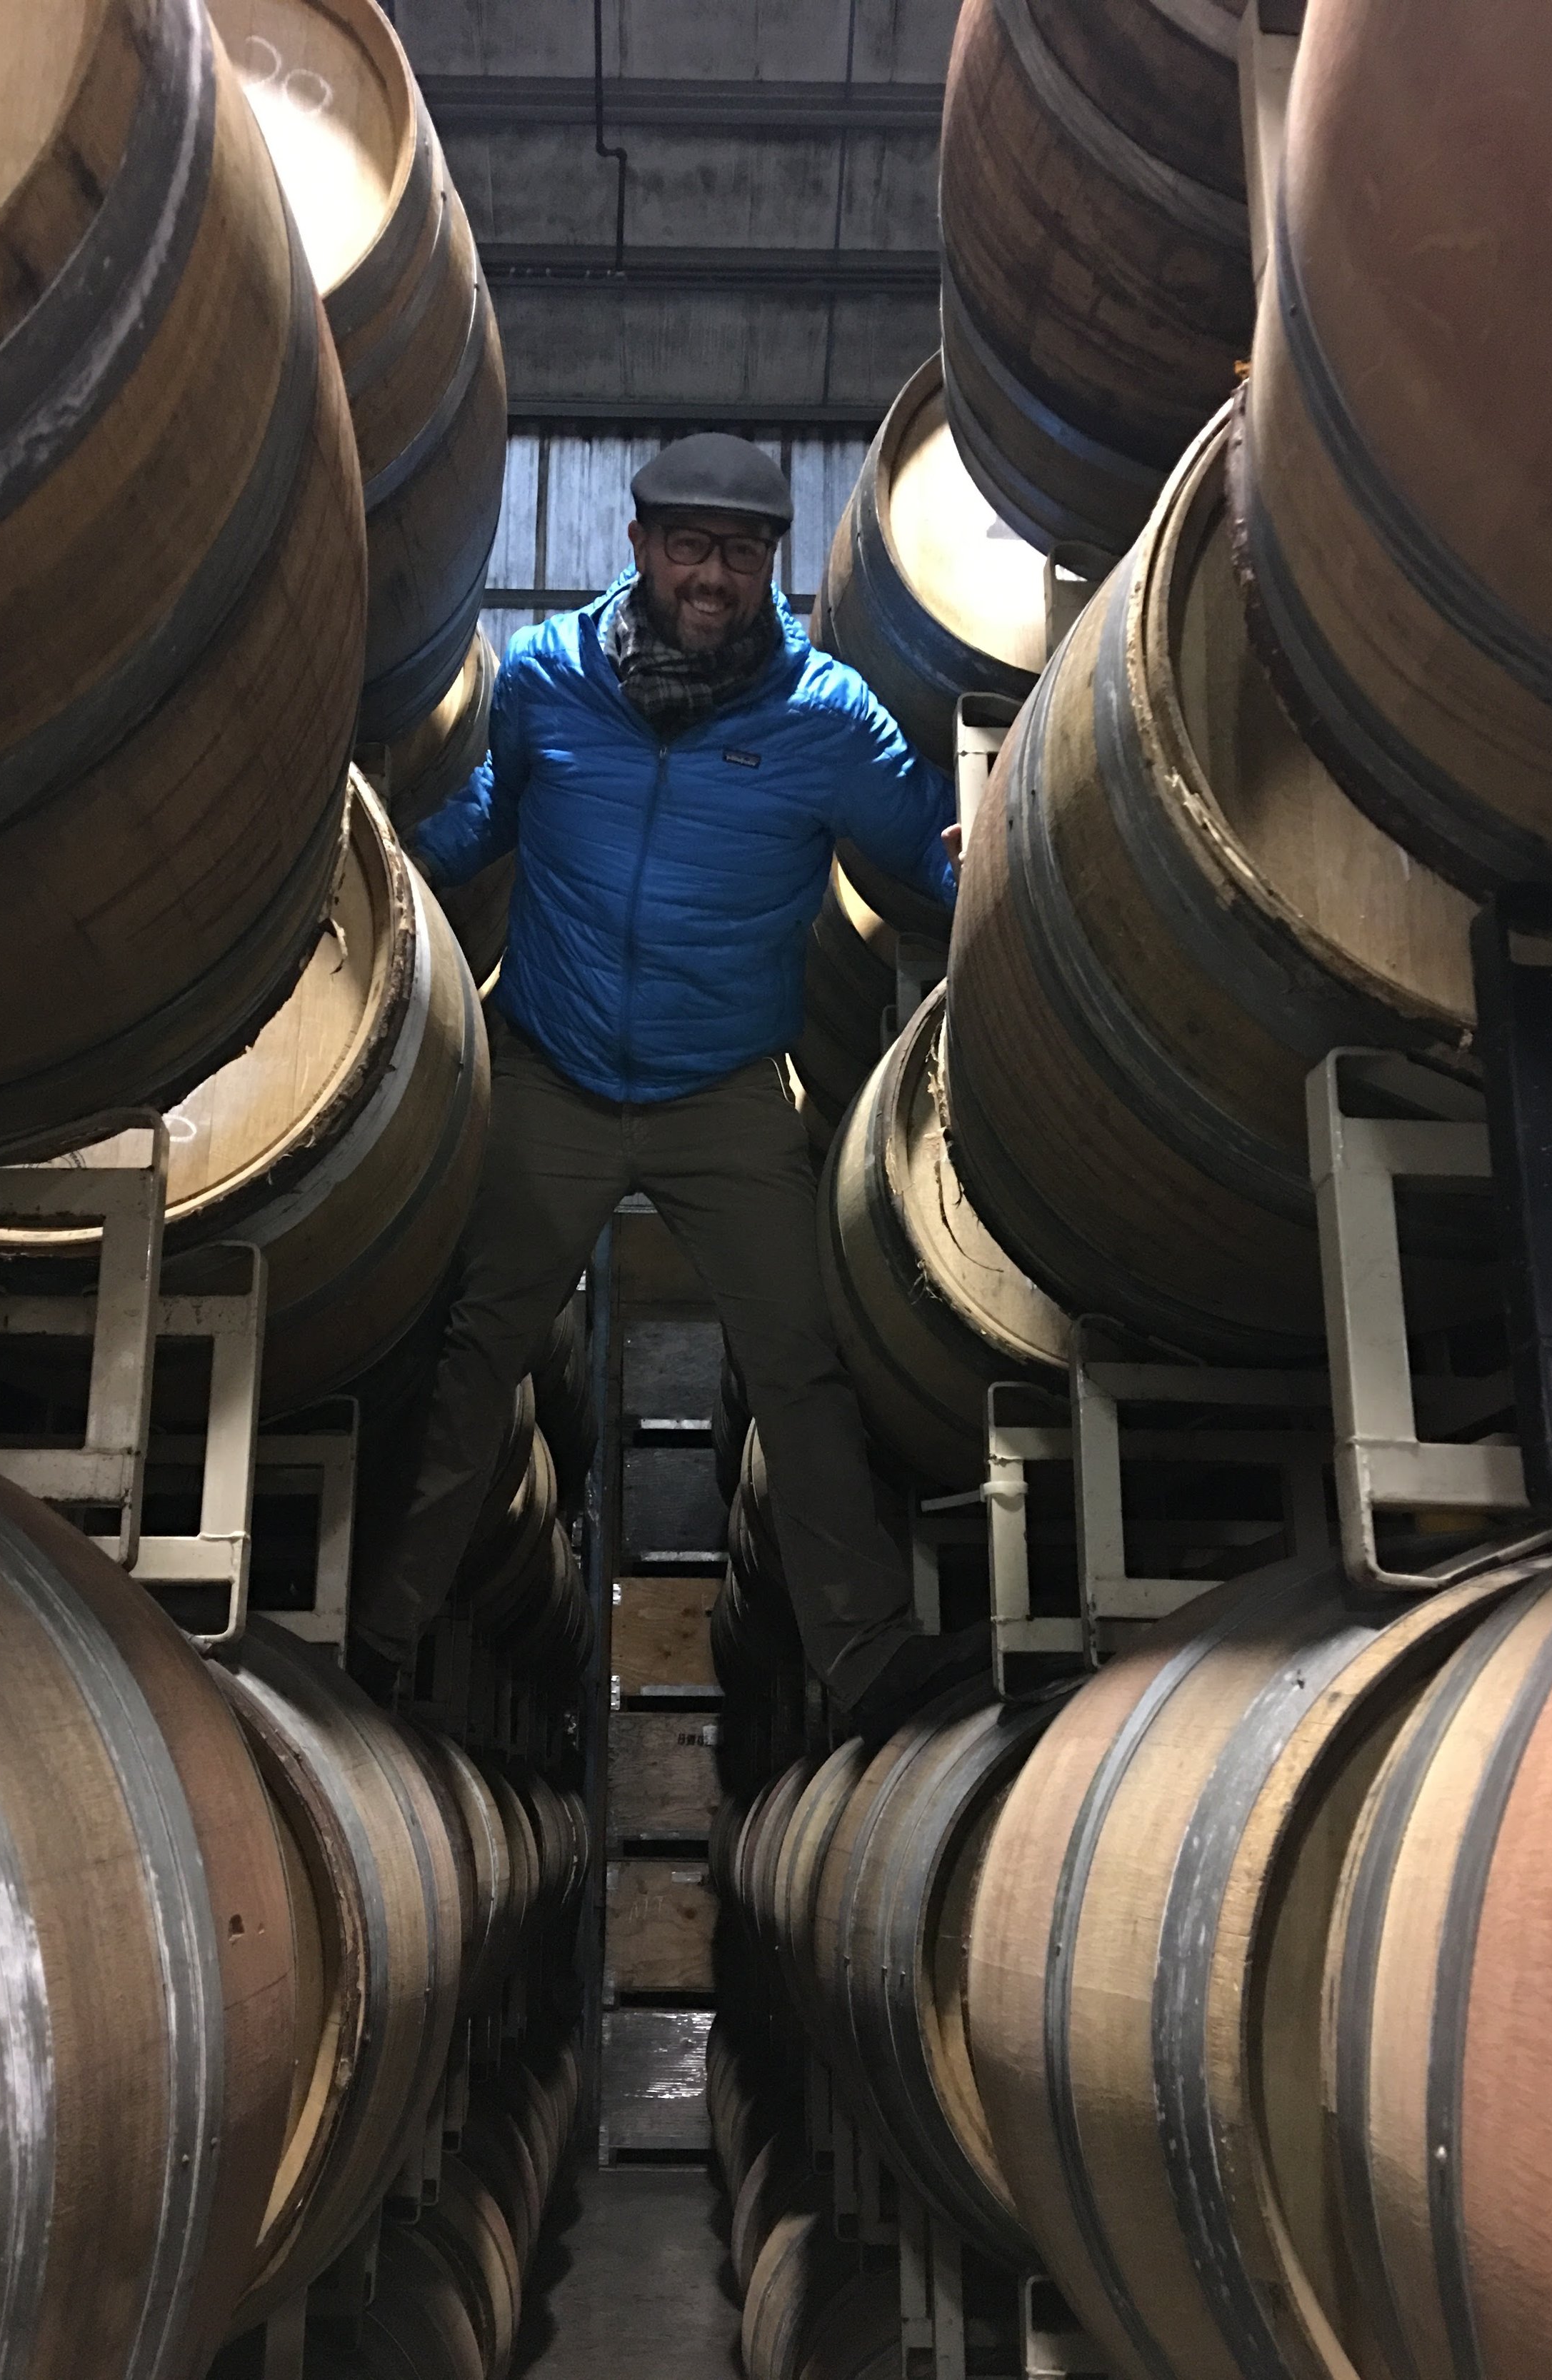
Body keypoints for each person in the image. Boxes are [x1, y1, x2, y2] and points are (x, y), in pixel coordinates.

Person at [362, 432, 983, 1736]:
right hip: (556, 1072)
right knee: (476, 1355)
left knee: (799, 1363)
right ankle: (379, 1638)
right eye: (691, 545)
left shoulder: (824, 719)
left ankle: (865, 1657)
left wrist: (1005, 840)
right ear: (639, 547)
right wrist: (381, 853)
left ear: (773, 564)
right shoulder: (543, 683)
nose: (715, 575)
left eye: (744, 551)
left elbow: (927, 849)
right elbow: (490, 817)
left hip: (724, 1097)